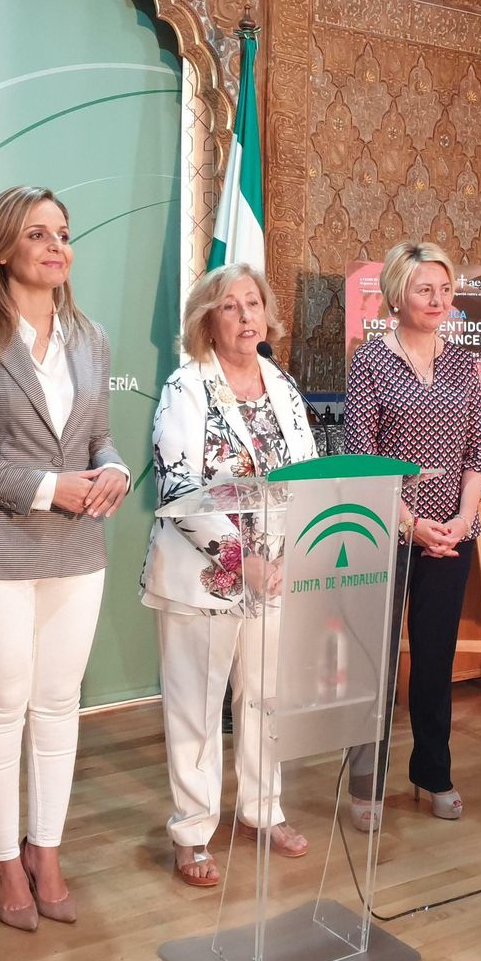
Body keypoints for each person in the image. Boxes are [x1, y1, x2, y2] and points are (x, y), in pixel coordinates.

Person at [0, 186, 128, 932]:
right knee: (2, 703)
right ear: (4, 247)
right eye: (38, 233)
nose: (55, 245)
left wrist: (114, 471)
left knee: (58, 704)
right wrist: (49, 487)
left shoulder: (91, 337)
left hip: (79, 548)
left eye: (63, 233)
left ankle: (47, 850)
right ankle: (4, 859)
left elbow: (98, 437)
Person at [139, 264, 318, 887]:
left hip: (277, 577)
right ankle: (192, 833)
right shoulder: (185, 388)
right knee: (196, 705)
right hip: (205, 576)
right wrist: (246, 557)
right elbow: (178, 484)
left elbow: (308, 479)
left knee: (266, 700)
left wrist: (293, 553)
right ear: (207, 322)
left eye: (253, 304)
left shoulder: (285, 388)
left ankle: (261, 811)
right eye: (230, 307)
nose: (246, 317)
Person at [344, 240, 481, 829]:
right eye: (425, 289)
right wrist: (410, 521)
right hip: (387, 532)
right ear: (398, 294)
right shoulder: (371, 361)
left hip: (453, 534)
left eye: (445, 290)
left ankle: (434, 772)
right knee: (373, 662)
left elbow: (478, 448)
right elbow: (362, 455)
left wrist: (459, 519)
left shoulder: (460, 362)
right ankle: (365, 784)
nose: (437, 299)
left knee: (435, 660)